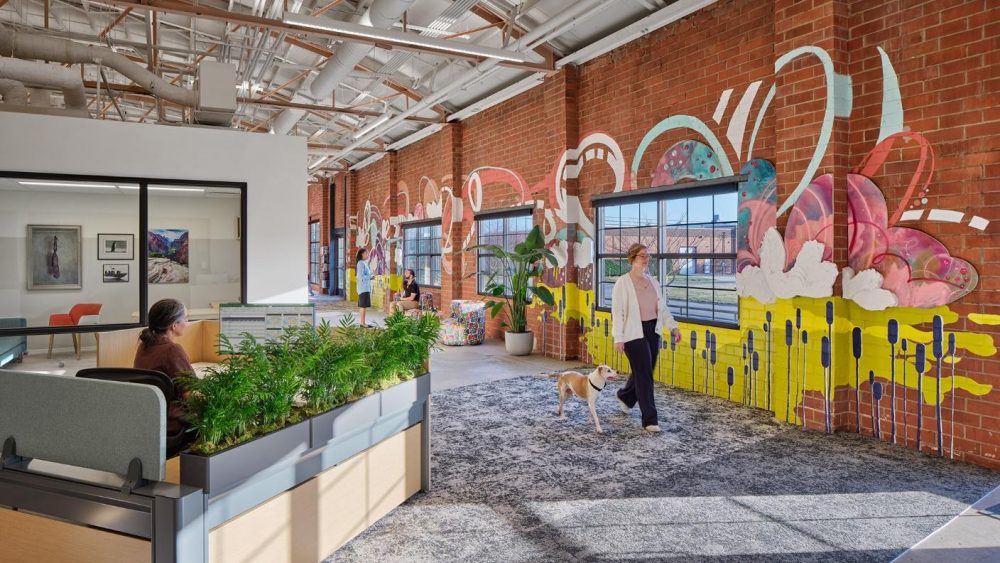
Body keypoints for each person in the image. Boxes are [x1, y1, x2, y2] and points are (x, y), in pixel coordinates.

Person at [611, 243, 682, 433]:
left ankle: (625, 397)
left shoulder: (653, 282)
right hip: (632, 333)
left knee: (644, 370)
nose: (646, 259)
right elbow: (617, 313)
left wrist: (673, 327)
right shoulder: (622, 283)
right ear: (632, 259)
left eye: (647, 256)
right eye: (642, 256)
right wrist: (618, 337)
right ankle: (650, 419)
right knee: (645, 375)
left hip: (653, 331)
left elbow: (662, 309)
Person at [133, 298, 192, 437]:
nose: (187, 322)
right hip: (174, 424)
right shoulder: (172, 350)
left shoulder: (144, 345)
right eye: (185, 318)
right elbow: (190, 394)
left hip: (151, 419)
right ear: (174, 325)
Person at [356, 248, 373, 327]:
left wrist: (370, 277)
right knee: (363, 306)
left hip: (365, 288)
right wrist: (370, 277)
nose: (368, 255)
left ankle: (363, 322)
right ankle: (362, 323)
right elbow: (360, 277)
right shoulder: (360, 263)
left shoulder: (363, 263)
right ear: (362, 254)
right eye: (366, 253)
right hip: (363, 288)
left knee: (364, 306)